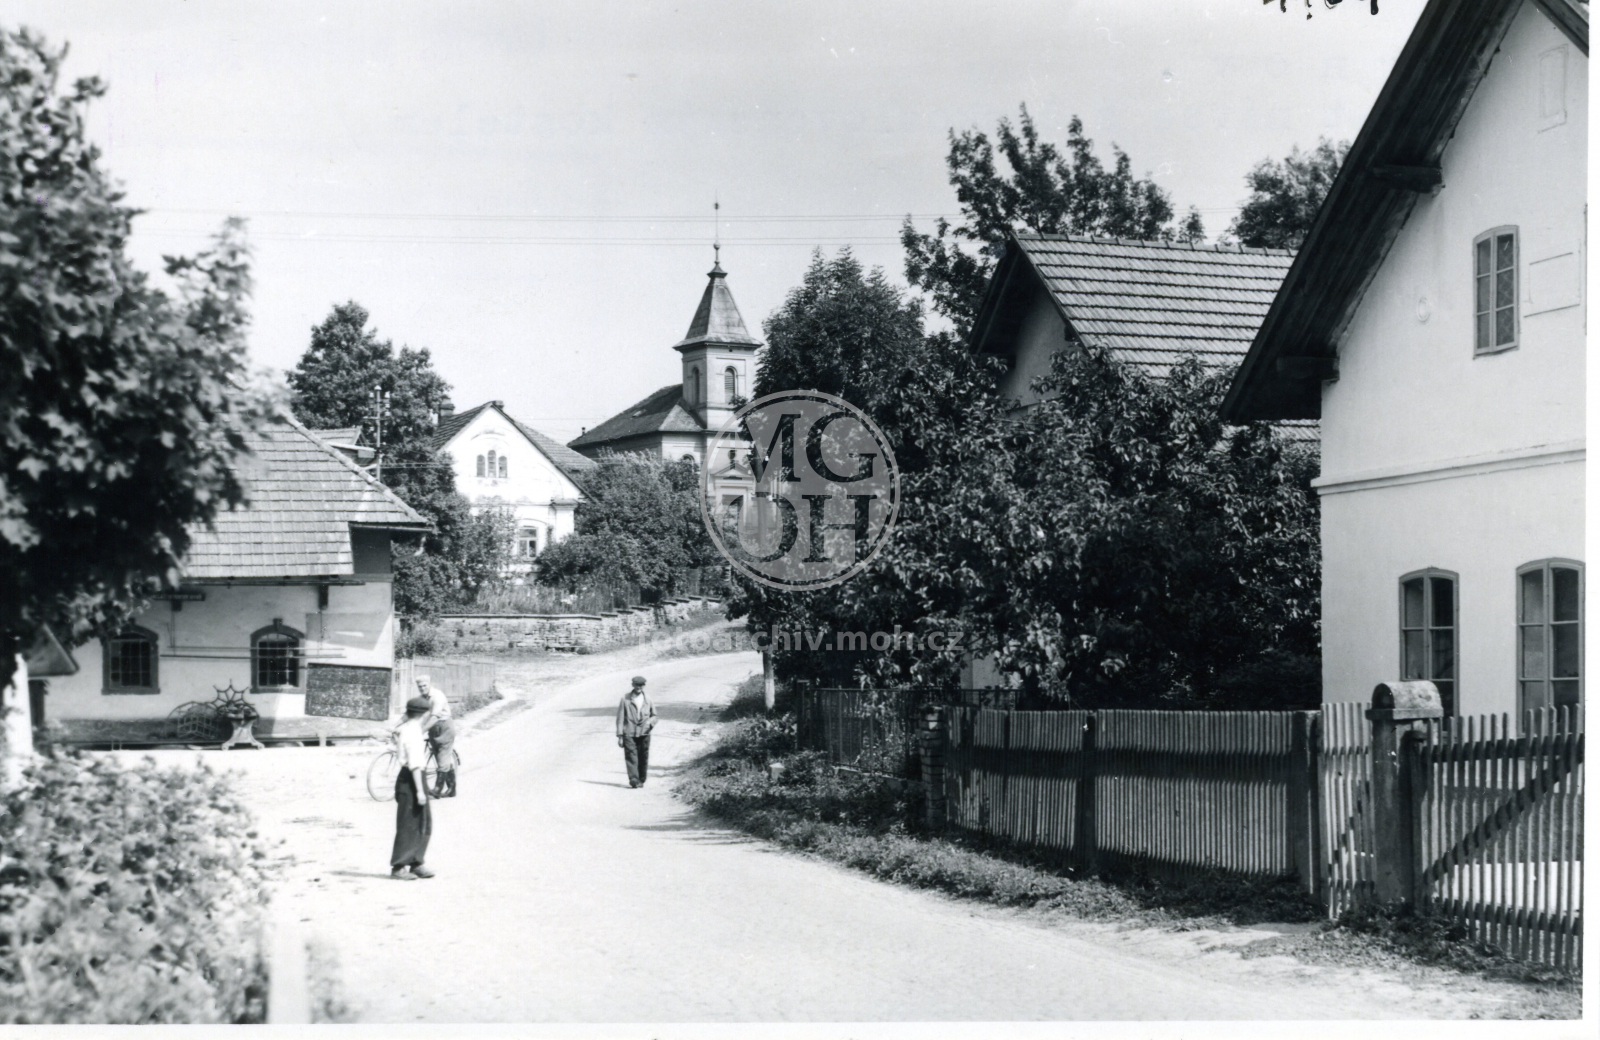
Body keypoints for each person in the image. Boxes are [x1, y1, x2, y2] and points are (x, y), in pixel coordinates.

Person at [390, 695, 434, 880]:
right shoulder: (413, 733)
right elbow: (415, 764)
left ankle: (416, 862)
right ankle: (399, 867)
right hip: (411, 779)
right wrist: (420, 791)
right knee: (409, 824)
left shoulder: (408, 728)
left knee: (423, 822)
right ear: (424, 714)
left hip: (412, 777)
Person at [418, 675, 457, 798]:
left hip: (444, 728)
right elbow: (418, 714)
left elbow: (434, 717)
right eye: (420, 686)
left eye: (424, 685)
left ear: (429, 684)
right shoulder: (422, 698)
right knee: (441, 758)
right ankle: (452, 789)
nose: (422, 688)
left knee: (443, 757)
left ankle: (438, 788)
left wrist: (421, 731)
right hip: (433, 730)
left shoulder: (437, 696)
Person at [615, 675, 657, 788]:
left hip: (644, 733)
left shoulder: (648, 699)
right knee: (631, 756)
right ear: (632, 685)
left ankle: (641, 779)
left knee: (643, 756)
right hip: (629, 732)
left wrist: (649, 723)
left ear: (644, 686)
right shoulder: (625, 699)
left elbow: (654, 716)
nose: (639, 687)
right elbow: (620, 718)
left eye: (641, 685)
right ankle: (633, 779)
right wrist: (620, 736)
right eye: (637, 685)